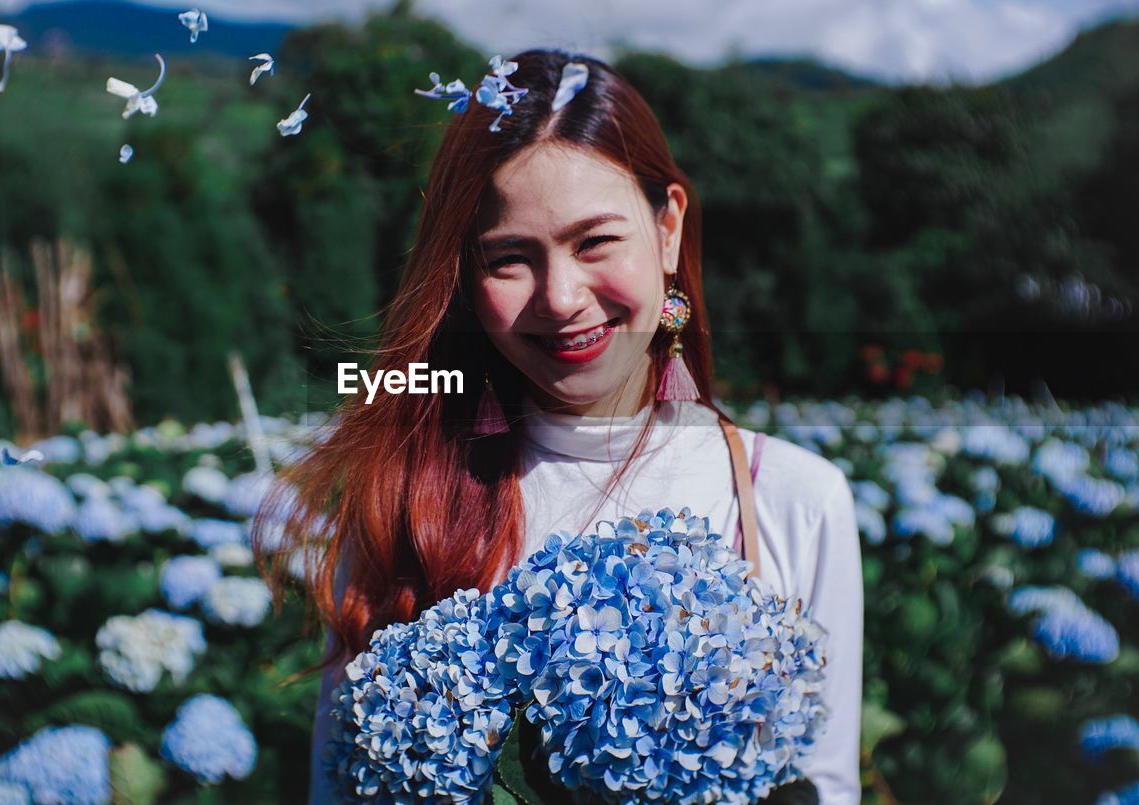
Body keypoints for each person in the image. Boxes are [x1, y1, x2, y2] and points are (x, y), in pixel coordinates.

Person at [253, 48, 864, 804]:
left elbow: (826, 785)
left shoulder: (796, 500)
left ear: (667, 227)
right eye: (510, 257)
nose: (562, 297)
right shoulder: (402, 496)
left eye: (594, 241)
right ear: (463, 280)